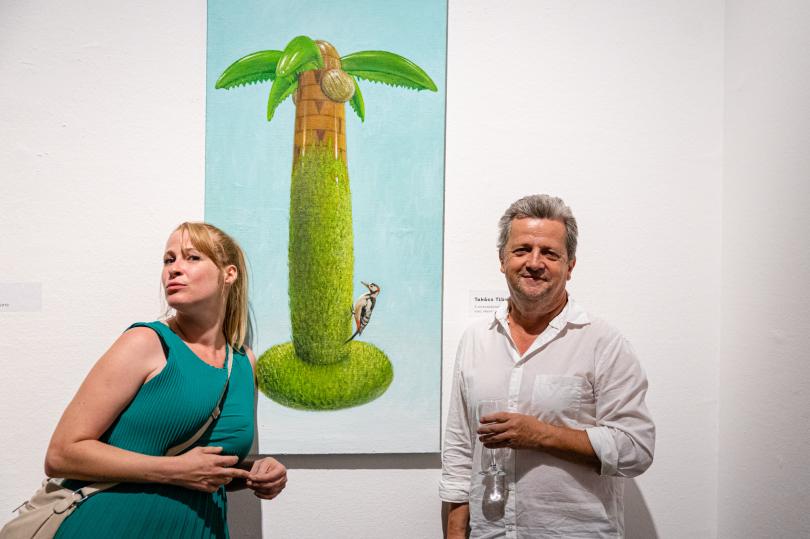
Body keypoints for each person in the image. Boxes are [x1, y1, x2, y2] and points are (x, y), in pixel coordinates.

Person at [44, 222, 287, 539]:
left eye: (192, 257)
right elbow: (61, 454)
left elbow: (203, 466)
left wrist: (255, 473)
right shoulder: (146, 342)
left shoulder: (244, 363)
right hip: (110, 527)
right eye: (168, 260)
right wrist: (177, 470)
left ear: (229, 274)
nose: (174, 269)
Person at [439, 195, 655, 538]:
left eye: (550, 253)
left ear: (570, 266)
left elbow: (636, 449)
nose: (534, 262)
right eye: (522, 250)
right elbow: (459, 452)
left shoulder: (603, 342)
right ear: (502, 259)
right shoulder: (475, 339)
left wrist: (541, 435)